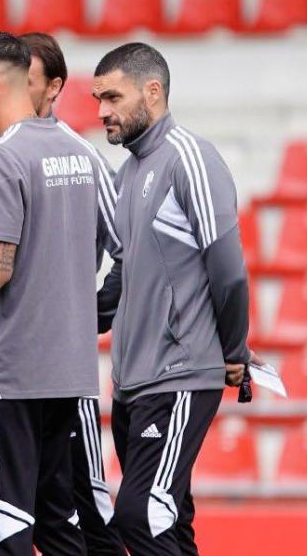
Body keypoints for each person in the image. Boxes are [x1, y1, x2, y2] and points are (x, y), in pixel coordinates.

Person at [0, 32, 120, 555]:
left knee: (7, 530)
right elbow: (127, 249)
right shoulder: (82, 152)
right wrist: (89, 314)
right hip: (68, 375)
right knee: (60, 527)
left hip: (5, 377)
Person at [91, 42, 250, 556]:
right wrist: (78, 320)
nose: (101, 112)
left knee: (139, 516)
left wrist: (234, 352)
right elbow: (125, 269)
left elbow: (227, 270)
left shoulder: (190, 157)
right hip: (132, 382)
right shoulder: (128, 171)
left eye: (112, 97)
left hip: (179, 375)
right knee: (170, 523)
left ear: (152, 91)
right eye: (98, 99)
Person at [22, 31, 124, 556]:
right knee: (24, 512)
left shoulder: (84, 158)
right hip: (12, 369)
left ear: (55, 86)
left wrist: (90, 315)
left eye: (29, 80)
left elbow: (129, 249)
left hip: (66, 371)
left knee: (87, 505)